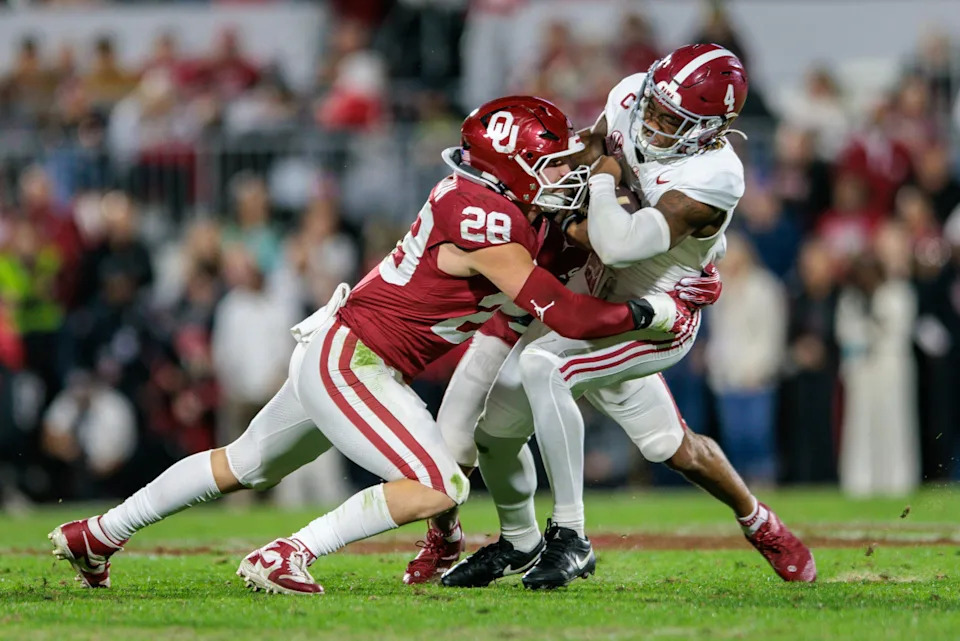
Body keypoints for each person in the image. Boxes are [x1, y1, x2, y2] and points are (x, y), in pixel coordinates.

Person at [49, 95, 699, 595]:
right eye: (549, 162)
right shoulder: (485, 217)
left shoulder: (509, 205)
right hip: (354, 361)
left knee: (244, 463)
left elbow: (579, 216)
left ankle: (96, 534)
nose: (562, 171)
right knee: (439, 481)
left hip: (348, 351)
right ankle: (289, 552)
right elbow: (570, 314)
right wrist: (658, 310)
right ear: (513, 168)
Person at [434, 44, 816, 590]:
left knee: (559, 374)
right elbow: (591, 148)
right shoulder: (633, 93)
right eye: (655, 107)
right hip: (591, 290)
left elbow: (620, 244)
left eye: (672, 119)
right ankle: (518, 542)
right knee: (500, 431)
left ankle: (579, 535)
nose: (655, 122)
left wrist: (601, 184)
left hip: (656, 311)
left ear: (714, 128)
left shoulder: (715, 175)